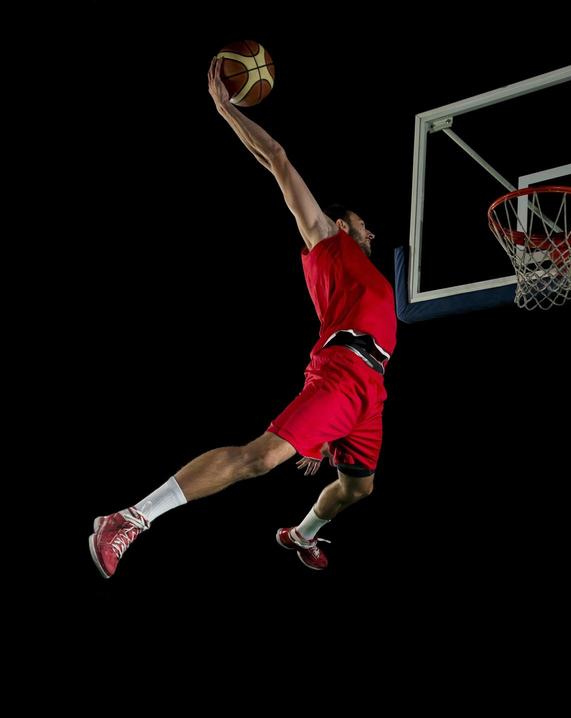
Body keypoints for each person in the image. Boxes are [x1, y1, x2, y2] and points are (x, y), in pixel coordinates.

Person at [89, 55, 397, 577]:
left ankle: (300, 535)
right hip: (343, 374)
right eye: (363, 225)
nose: (370, 233)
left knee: (359, 486)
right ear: (341, 226)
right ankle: (129, 518)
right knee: (259, 459)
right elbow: (275, 157)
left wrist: (324, 435)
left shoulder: (361, 273)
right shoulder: (329, 242)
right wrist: (225, 108)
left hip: (367, 391)